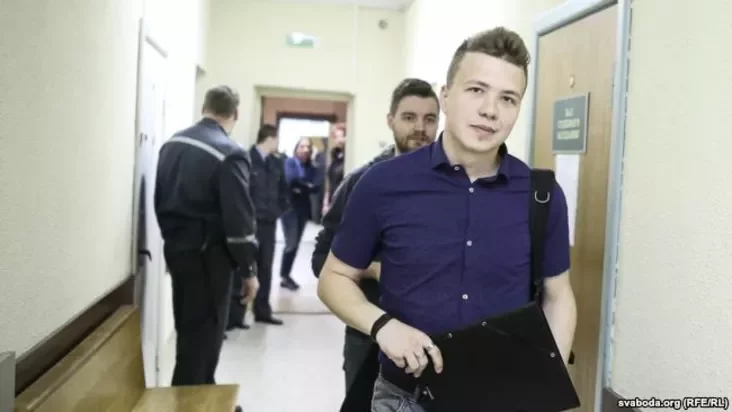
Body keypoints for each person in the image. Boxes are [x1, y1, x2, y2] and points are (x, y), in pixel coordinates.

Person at [317, 27, 577, 411]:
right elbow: (334, 278)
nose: (490, 110)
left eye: (508, 98)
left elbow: (559, 297)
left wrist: (547, 389)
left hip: (502, 399)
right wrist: (382, 325)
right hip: (405, 399)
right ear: (446, 96)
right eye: (477, 90)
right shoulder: (383, 184)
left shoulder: (542, 195)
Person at [311, 78, 440, 395]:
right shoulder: (362, 183)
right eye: (409, 117)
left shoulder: (453, 185)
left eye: (429, 119)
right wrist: (374, 269)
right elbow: (321, 259)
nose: (420, 128)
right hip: (368, 337)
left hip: (435, 339)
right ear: (390, 120)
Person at [154, 85, 258, 412]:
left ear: (204, 108)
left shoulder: (172, 144)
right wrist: (249, 271)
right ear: (235, 114)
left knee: (188, 334)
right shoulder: (230, 153)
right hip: (209, 260)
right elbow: (239, 224)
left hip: (177, 251)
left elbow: (159, 199)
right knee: (204, 342)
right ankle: (190, 404)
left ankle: (204, 399)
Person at [227, 124, 289, 329]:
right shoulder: (246, 159)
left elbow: (284, 191)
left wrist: (278, 210)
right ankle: (235, 316)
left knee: (265, 267)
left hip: (268, 224)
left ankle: (262, 311)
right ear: (270, 138)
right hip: (248, 224)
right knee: (243, 267)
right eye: (276, 139)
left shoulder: (276, 163)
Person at [280, 137, 318, 290]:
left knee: (295, 245)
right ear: (296, 148)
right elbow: (291, 180)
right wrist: (305, 186)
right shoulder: (289, 163)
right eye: (302, 146)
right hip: (289, 209)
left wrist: (302, 186)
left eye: (308, 147)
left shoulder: (311, 167)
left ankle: (286, 275)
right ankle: (284, 276)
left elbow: (316, 185)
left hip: (302, 210)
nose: (305, 150)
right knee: (291, 244)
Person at [321, 124, 347, 215]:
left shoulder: (350, 156)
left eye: (342, 136)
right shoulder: (336, 155)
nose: (339, 140)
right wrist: (325, 203)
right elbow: (330, 182)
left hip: (344, 201)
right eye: (336, 137)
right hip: (332, 200)